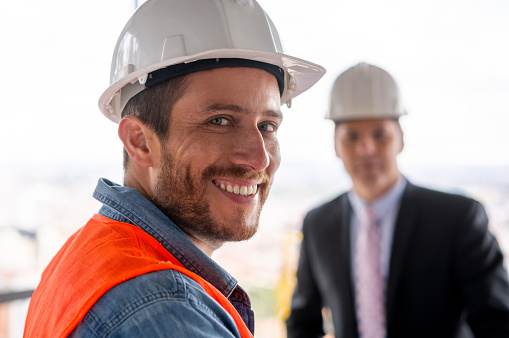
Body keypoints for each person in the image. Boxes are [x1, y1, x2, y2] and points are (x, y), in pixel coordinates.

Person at [23, 1, 325, 337]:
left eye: (267, 126)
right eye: (220, 121)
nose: (259, 158)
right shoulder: (165, 308)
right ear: (140, 142)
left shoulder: (87, 256)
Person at [286, 62, 509, 338]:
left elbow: (498, 321)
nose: (366, 147)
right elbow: (302, 322)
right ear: (335, 145)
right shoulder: (318, 224)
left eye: (380, 134)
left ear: (400, 140)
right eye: (352, 137)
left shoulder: (458, 217)